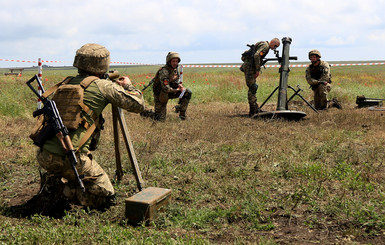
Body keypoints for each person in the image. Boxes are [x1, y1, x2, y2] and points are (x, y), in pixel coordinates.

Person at [35, 43, 145, 212]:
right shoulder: (103, 86)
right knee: (107, 196)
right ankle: (66, 192)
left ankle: (55, 181)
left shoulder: (66, 83)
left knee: (68, 168)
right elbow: (138, 105)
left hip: (44, 155)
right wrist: (128, 86)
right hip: (72, 158)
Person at [240, 38, 280, 116]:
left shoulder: (264, 44)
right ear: (272, 42)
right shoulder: (265, 46)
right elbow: (257, 55)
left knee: (253, 87)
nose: (275, 48)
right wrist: (257, 69)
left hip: (250, 66)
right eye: (275, 45)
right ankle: (253, 111)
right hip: (250, 68)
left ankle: (255, 108)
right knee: (253, 87)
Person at [150, 52, 192, 121]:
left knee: (187, 92)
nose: (175, 63)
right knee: (160, 120)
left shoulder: (175, 70)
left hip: (171, 91)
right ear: (169, 62)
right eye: (173, 61)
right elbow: (166, 88)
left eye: (176, 61)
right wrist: (178, 90)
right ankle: (147, 113)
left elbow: (175, 81)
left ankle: (182, 115)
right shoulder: (164, 71)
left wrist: (180, 86)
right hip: (161, 95)